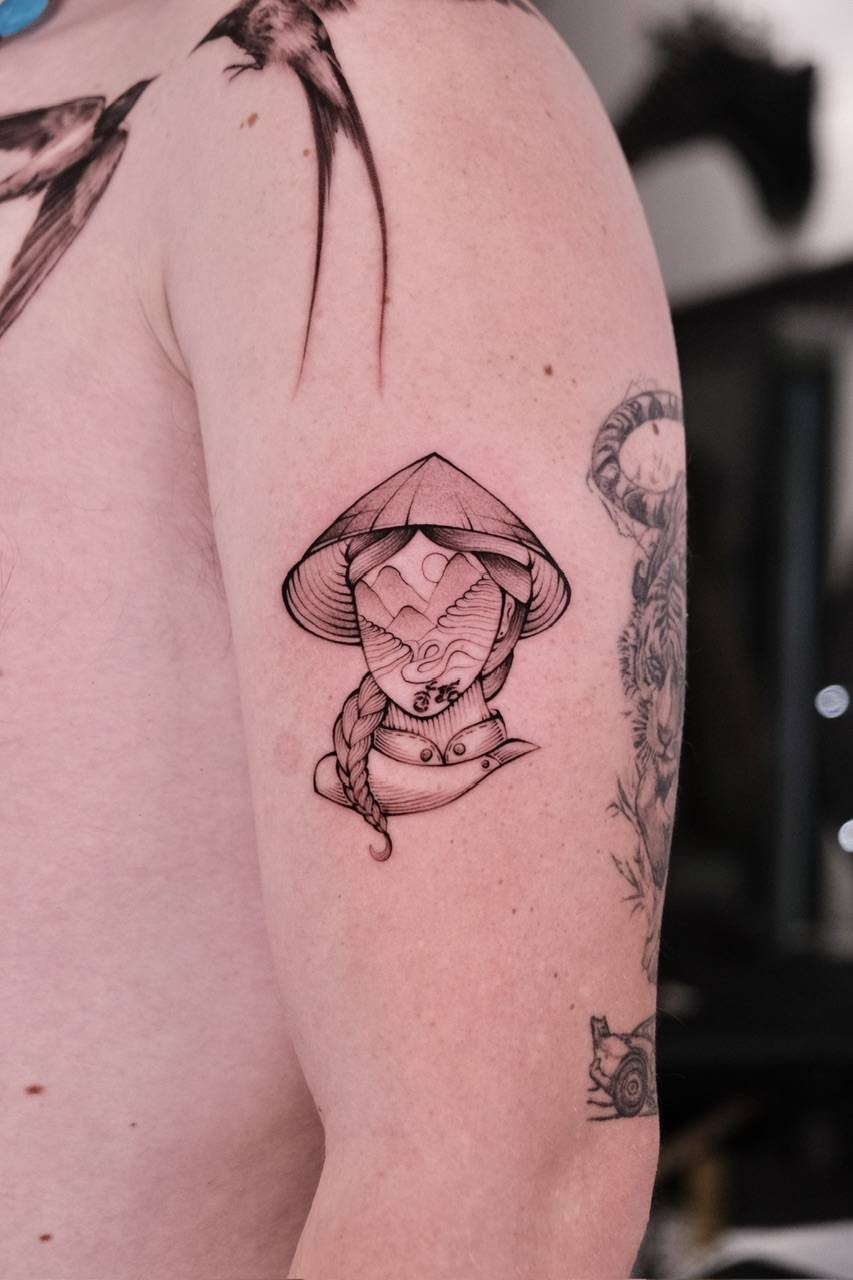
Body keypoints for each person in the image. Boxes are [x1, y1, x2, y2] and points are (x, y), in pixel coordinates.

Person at [0, 1, 686, 1276]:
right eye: (395, 612)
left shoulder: (382, 64)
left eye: (447, 607)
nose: (417, 640)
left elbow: (499, 1195)